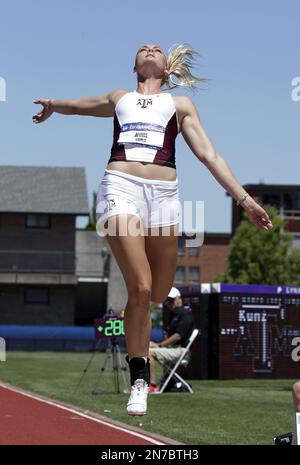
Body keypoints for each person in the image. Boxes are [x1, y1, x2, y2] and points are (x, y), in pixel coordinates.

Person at [32, 42, 273, 416]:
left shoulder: (179, 105)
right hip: (120, 186)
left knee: (158, 292)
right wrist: (55, 106)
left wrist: (245, 200)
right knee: (141, 288)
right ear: (135, 66)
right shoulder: (120, 98)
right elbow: (82, 104)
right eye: (143, 48)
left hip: (164, 196)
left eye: (156, 49)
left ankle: (141, 336)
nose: (149, 48)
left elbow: (209, 155)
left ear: (164, 67)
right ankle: (140, 378)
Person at [148, 287, 195, 393]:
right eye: (168, 300)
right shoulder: (173, 314)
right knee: (147, 350)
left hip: (181, 351)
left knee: (148, 353)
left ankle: (153, 385)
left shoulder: (185, 313)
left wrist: (159, 346)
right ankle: (152, 384)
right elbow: (168, 336)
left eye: (171, 300)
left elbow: (178, 336)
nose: (169, 303)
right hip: (173, 349)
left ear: (179, 298)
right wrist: (157, 344)